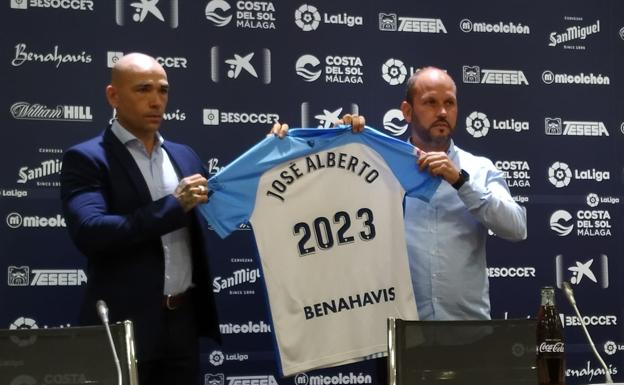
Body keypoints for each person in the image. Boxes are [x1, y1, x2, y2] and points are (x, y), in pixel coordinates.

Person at [271, 66, 527, 320]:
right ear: (407, 111)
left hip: (468, 336)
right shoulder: (375, 167)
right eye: (430, 102)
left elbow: (516, 228)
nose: (442, 112)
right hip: (397, 334)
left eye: (450, 103)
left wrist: (461, 181)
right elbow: (319, 206)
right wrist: (312, 151)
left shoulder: (479, 169)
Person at [60, 52, 219, 385]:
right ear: (113, 96)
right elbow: (91, 232)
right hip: (124, 324)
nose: (156, 101)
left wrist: (280, 147)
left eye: (163, 90)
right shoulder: (87, 158)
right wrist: (173, 207)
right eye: (143, 89)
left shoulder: (184, 155)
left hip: (183, 323)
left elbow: (230, 199)